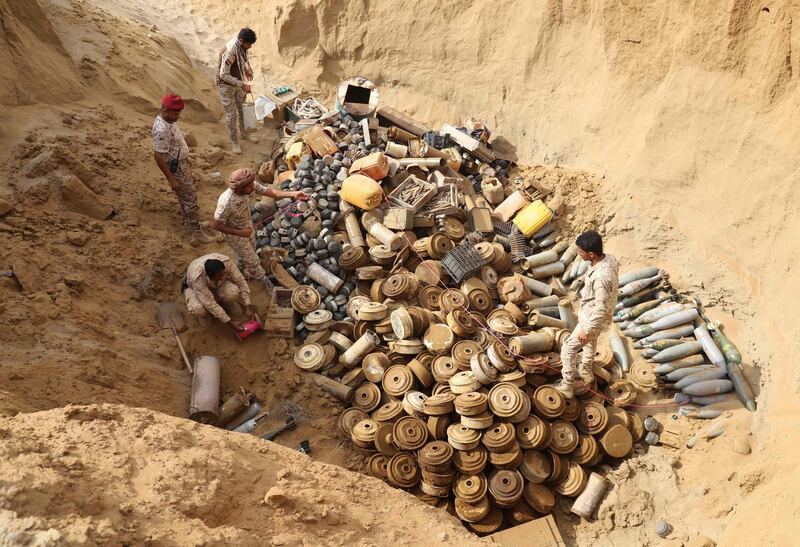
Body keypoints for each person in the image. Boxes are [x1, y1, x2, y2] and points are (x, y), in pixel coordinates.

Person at [213, 168, 308, 293]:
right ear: (240, 188)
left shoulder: (249, 186)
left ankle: (239, 269)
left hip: (248, 227)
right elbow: (217, 225)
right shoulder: (226, 202)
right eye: (250, 186)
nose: (253, 187)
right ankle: (266, 283)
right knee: (253, 261)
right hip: (236, 236)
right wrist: (240, 233)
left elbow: (272, 193)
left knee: (249, 252)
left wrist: (293, 194)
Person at [556, 231, 619, 399]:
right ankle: (586, 371)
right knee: (590, 344)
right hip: (594, 317)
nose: (578, 252)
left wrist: (587, 329)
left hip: (593, 318)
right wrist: (583, 279)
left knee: (568, 349)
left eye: (581, 251)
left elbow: (600, 309)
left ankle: (567, 386)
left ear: (591, 254)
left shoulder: (601, 279)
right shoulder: (609, 259)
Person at [152, 94, 215, 244]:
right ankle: (197, 232)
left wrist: (185, 158)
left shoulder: (169, 121)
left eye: (179, 113)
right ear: (165, 110)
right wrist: (171, 179)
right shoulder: (161, 129)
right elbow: (158, 156)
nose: (178, 116)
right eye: (175, 113)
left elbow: (175, 144)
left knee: (186, 197)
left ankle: (192, 222)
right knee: (190, 199)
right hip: (176, 169)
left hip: (181, 164)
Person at [183, 253, 255, 332]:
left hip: (217, 285)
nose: (222, 277)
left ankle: (228, 303)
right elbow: (209, 303)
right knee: (198, 309)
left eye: (223, 274)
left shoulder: (226, 263)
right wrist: (229, 322)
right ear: (210, 277)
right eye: (219, 276)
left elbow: (241, 282)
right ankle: (204, 315)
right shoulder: (197, 278)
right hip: (195, 288)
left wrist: (248, 306)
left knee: (233, 293)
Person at [217, 27, 257, 155]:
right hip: (225, 85)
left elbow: (243, 57)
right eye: (248, 44)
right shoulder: (231, 52)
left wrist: (246, 69)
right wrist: (242, 84)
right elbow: (223, 74)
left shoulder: (240, 45)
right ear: (241, 40)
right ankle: (234, 141)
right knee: (231, 114)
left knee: (242, 109)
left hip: (237, 81)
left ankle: (244, 133)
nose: (250, 47)